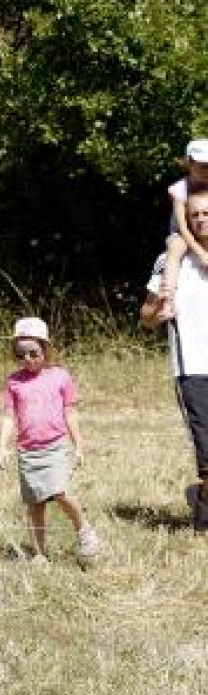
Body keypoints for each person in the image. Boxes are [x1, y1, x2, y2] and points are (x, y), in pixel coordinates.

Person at [0, 317, 99, 560]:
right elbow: (9, 417)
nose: (28, 359)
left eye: (33, 353)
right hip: (28, 452)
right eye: (21, 355)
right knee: (35, 505)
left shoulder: (60, 376)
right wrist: (1, 447)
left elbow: (70, 413)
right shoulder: (13, 383)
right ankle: (39, 555)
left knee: (60, 492)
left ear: (46, 350)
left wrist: (79, 446)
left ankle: (85, 532)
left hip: (55, 447)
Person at [141, 189, 208, 531]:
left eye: (207, 213)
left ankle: (202, 500)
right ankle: (204, 499)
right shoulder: (171, 261)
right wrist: (158, 307)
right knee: (207, 449)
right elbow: (146, 317)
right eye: (194, 215)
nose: (200, 220)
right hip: (193, 366)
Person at [157, 139, 208, 320]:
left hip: (205, 231)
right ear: (190, 163)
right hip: (183, 233)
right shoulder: (179, 190)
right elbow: (184, 227)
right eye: (201, 165)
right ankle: (167, 300)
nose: (205, 170)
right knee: (175, 248)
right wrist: (200, 253)